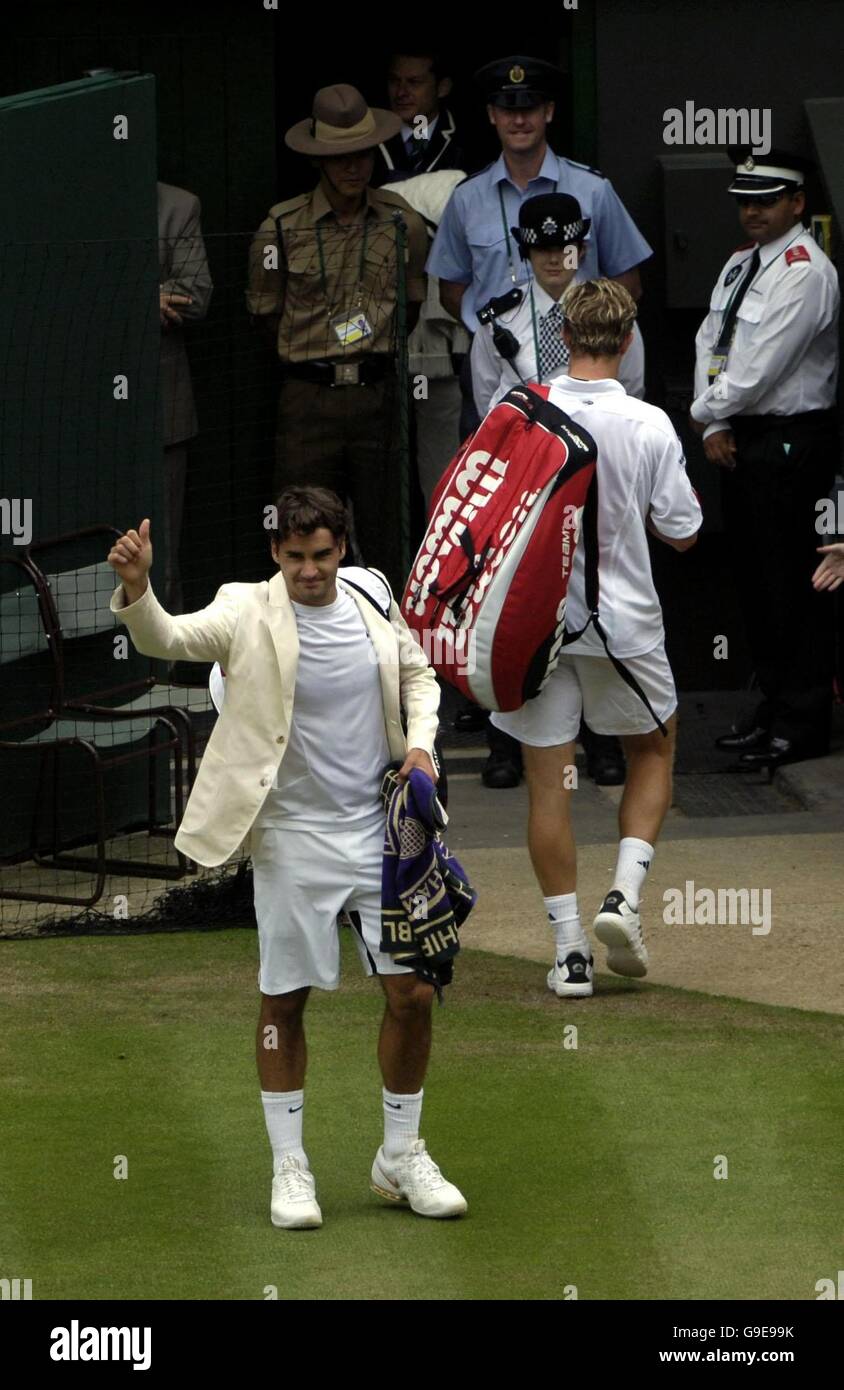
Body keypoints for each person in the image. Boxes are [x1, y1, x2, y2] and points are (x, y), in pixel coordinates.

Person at [107, 486, 467, 1227]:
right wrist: (138, 590)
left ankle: (399, 1155)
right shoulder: (243, 608)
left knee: (414, 994)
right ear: (276, 552)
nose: (310, 569)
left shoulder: (369, 596)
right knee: (284, 1000)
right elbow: (167, 639)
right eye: (296, 556)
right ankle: (290, 1165)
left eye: (323, 555)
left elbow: (417, 677)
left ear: (343, 551)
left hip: (378, 832)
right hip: (293, 840)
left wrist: (424, 749)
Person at [428, 55, 651, 786]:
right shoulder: (467, 201)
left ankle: (605, 732)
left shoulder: (593, 190)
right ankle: (508, 731)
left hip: (594, 420)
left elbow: (626, 285)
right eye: (505, 106)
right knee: (511, 574)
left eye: (533, 105)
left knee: (593, 575)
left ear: (549, 111)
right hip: (513, 424)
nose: (520, 116)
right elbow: (457, 289)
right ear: (491, 115)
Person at [491, 280, 701, 998]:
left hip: (535, 627)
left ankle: (570, 951)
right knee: (653, 752)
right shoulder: (648, 424)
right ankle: (623, 899)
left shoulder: (522, 413)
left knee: (548, 782)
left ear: (563, 334)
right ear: (630, 338)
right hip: (625, 625)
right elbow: (683, 530)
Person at [246, 85, 429, 591]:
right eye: (340, 157)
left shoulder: (401, 221)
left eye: (363, 155)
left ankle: (393, 646)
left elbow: (410, 306)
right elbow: (265, 315)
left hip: (378, 394)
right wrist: (314, 357)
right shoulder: (280, 229)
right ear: (319, 161)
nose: (354, 168)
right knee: (303, 528)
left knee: (389, 527)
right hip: (307, 400)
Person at [691, 149, 840, 771]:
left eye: (766, 201)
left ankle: (802, 723)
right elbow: (709, 339)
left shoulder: (806, 271)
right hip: (742, 434)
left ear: (797, 203)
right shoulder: (738, 264)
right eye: (745, 202)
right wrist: (717, 421)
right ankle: (773, 708)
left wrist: (706, 413)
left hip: (791, 438)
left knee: (791, 587)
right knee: (755, 585)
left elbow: (763, 366)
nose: (752, 212)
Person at [471, 192, 645, 417]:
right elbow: (486, 398)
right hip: (523, 442)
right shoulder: (500, 319)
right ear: (526, 254)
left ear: (581, 251)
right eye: (542, 250)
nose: (554, 259)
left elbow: (631, 389)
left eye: (566, 249)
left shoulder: (611, 311)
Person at [158, 181, 213, 612]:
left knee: (163, 554)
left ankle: (166, 673)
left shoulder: (178, 206)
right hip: (81, 414)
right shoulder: (69, 198)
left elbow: (194, 294)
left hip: (164, 414)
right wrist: (141, 299)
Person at [373, 50, 468, 186]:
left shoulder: (470, 142)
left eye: (414, 82)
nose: (401, 92)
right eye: (394, 81)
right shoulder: (368, 137)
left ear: (443, 88)